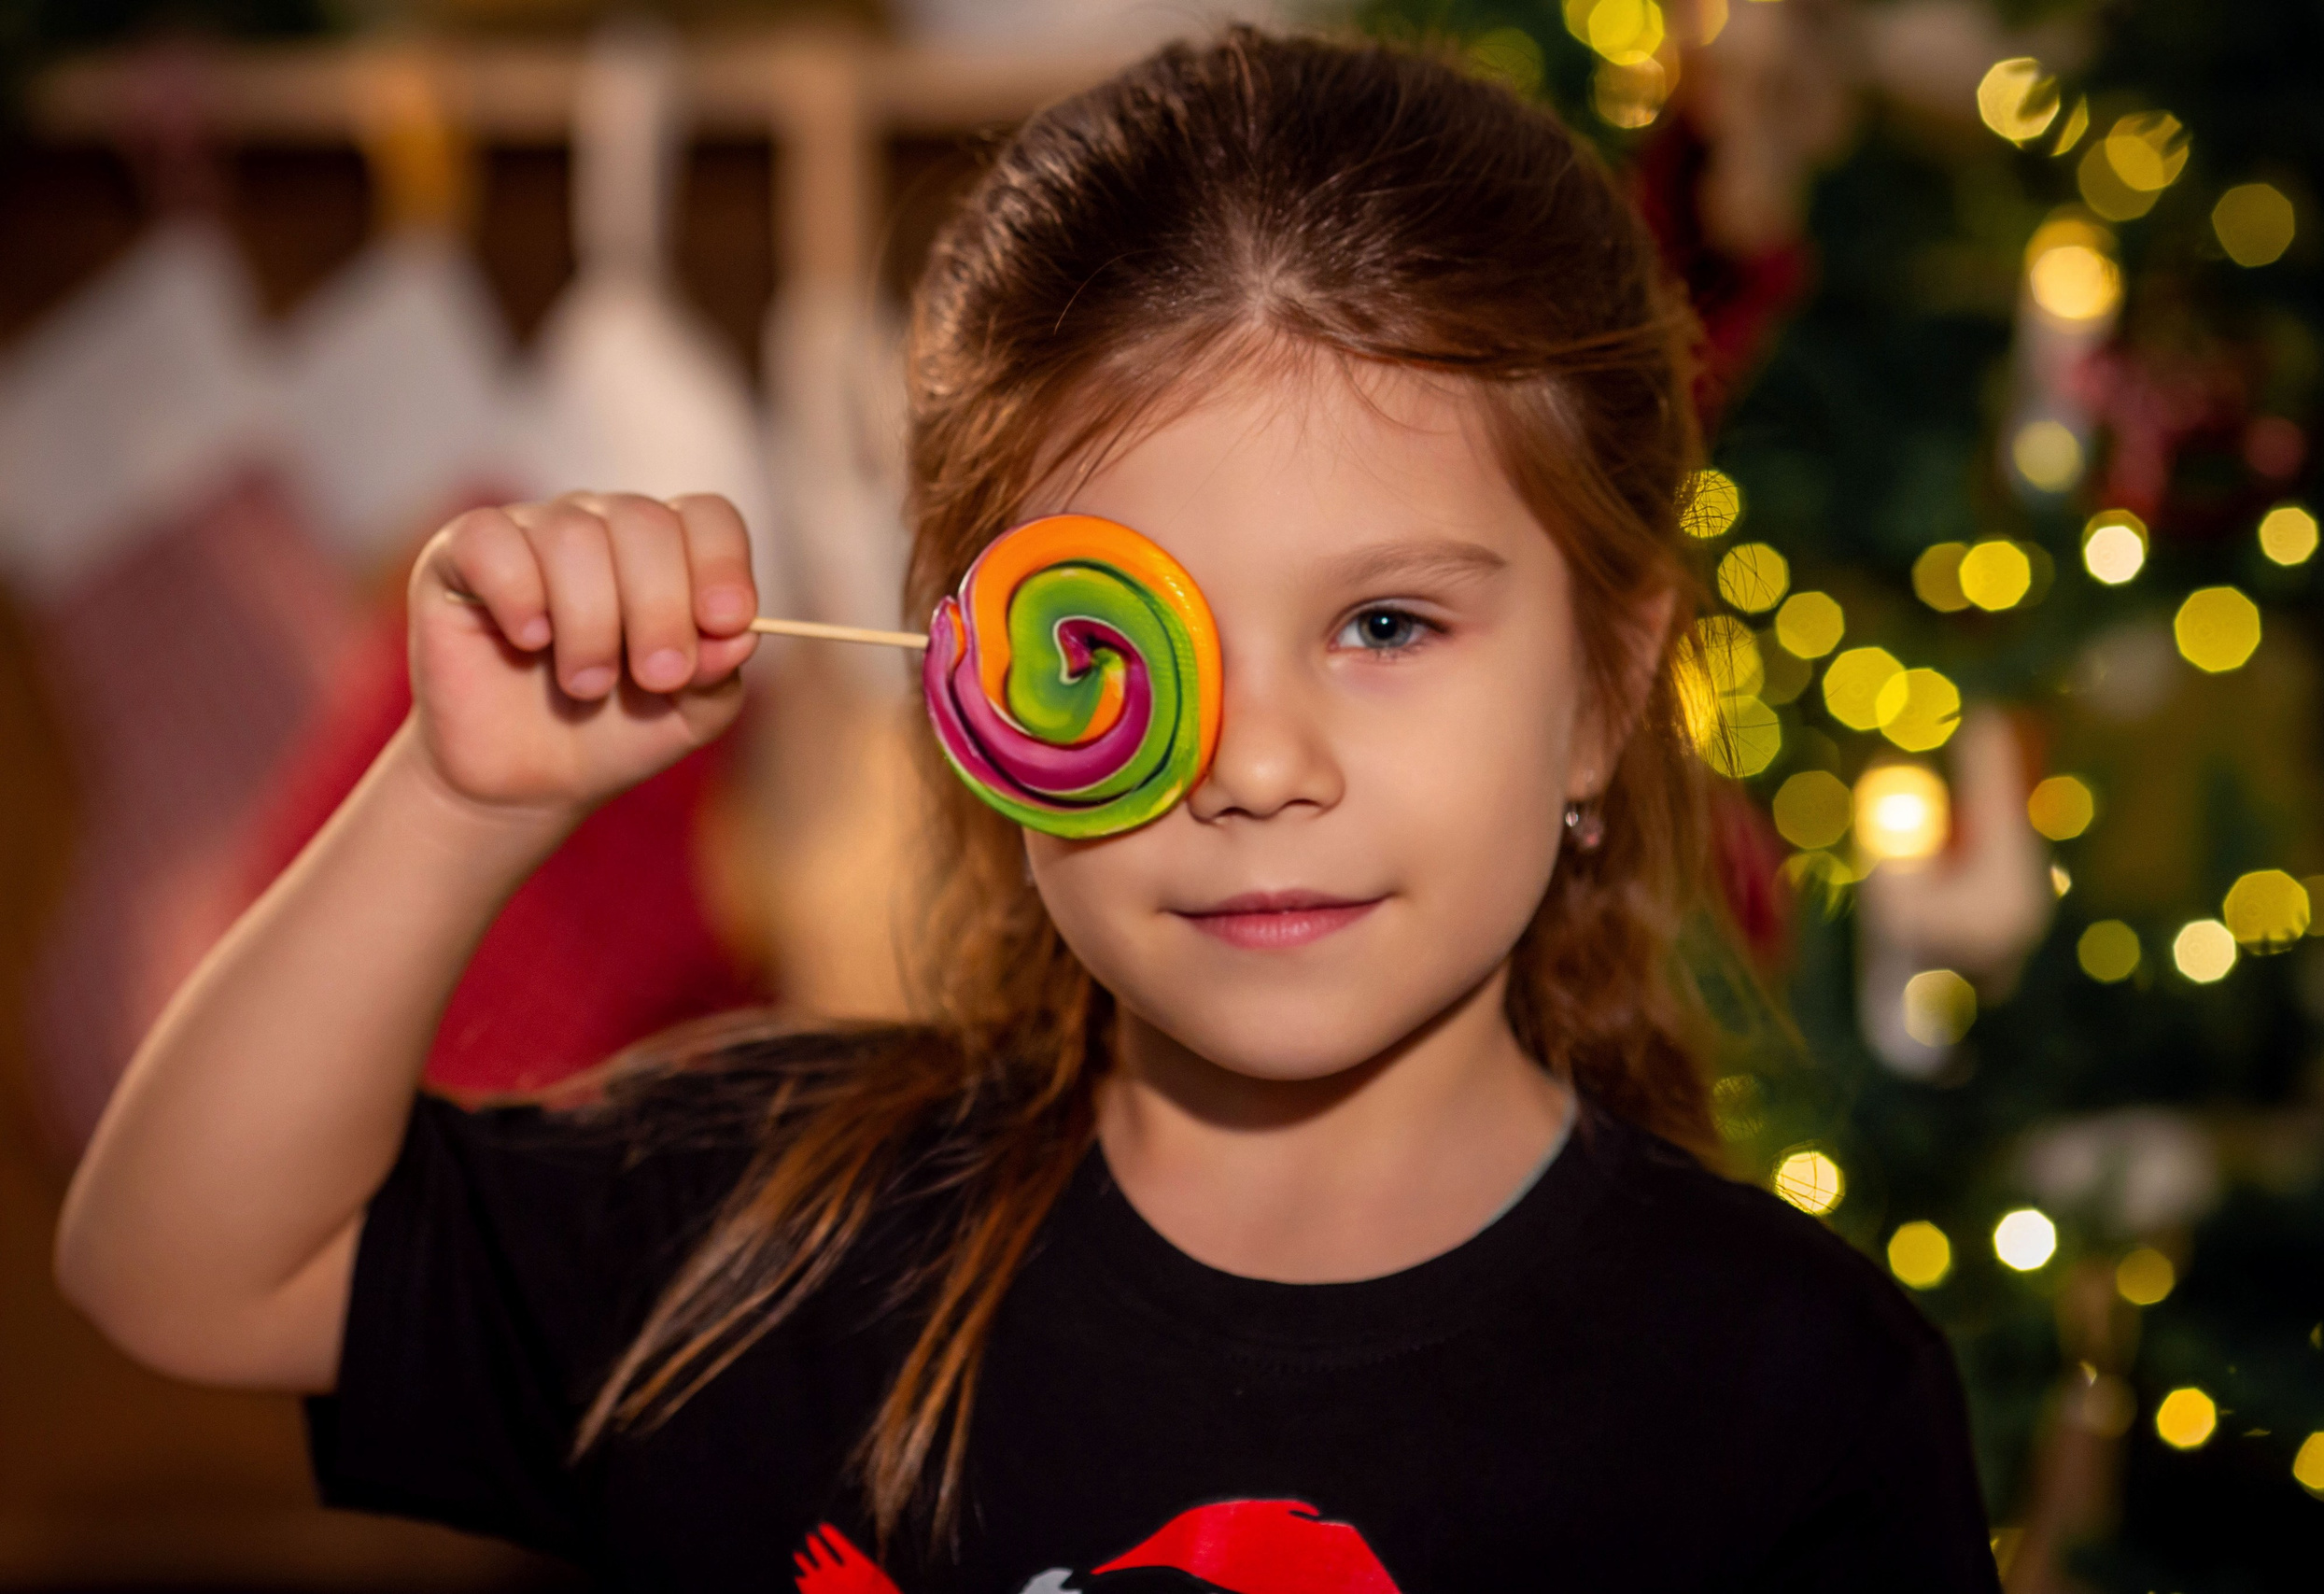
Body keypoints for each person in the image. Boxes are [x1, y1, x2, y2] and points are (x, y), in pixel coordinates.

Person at [55, 29, 2001, 1592]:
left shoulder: (1785, 1398)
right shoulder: (776, 1235)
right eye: (1124, 636)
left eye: (1385, 621)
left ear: (1601, 683)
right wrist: (450, 793)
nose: (1254, 764)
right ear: (982, 680)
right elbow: (176, 1268)